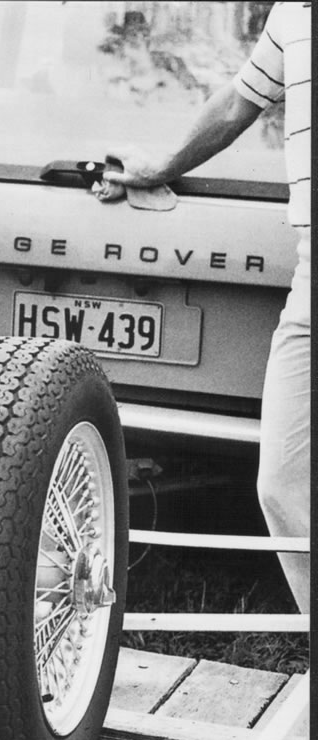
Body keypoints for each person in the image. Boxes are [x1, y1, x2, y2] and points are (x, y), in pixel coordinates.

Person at [96, 2, 310, 612]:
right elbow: (240, 101)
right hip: (311, 270)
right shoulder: (292, 12)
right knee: (284, 482)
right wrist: (162, 166)